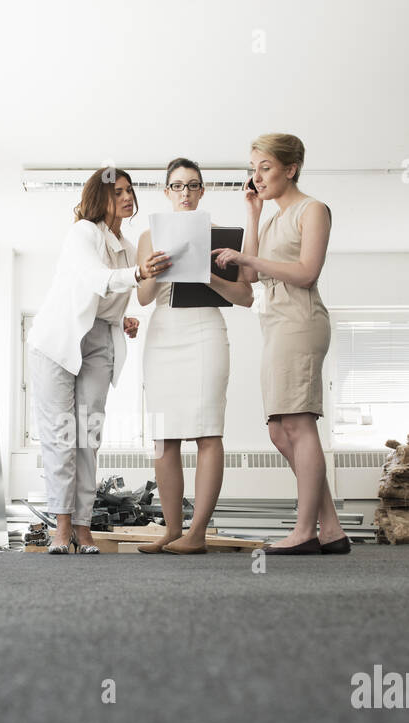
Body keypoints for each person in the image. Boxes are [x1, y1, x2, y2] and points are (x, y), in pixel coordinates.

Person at [213, 133, 350, 555]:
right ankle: (331, 529)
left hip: (301, 322)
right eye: (254, 169)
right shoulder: (271, 218)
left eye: (266, 167)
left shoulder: (313, 210)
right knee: (278, 431)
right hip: (275, 325)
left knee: (299, 423)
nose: (257, 176)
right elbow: (250, 279)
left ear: (291, 169)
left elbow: (307, 272)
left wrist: (247, 259)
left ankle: (305, 530)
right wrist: (252, 213)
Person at [28, 168, 169, 554]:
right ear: (99, 196)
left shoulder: (124, 244)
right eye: (117, 191)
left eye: (129, 191)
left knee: (87, 436)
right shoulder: (82, 233)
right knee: (61, 435)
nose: (126, 197)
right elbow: (93, 277)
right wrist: (138, 273)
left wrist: (121, 316)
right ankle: (60, 528)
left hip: (98, 342)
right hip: (56, 343)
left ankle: (83, 527)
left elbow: (105, 297)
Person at [134, 158, 252, 554]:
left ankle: (197, 533)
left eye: (193, 185)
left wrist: (207, 273)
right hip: (163, 332)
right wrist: (152, 271)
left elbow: (245, 297)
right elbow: (144, 298)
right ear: (167, 192)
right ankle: (171, 530)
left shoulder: (223, 236)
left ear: (203, 191)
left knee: (207, 432)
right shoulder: (149, 237)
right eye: (178, 186)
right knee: (163, 438)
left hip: (205, 331)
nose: (185, 192)